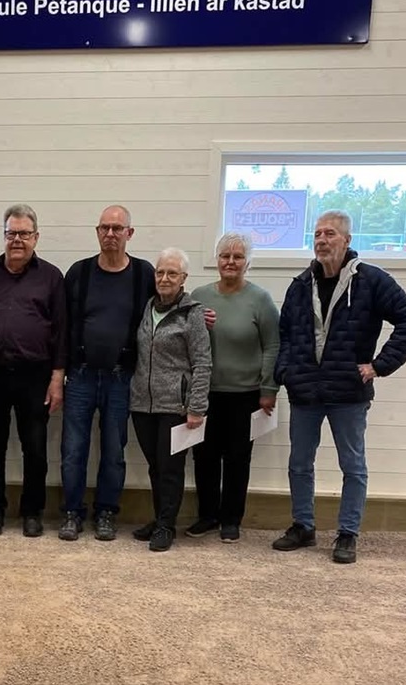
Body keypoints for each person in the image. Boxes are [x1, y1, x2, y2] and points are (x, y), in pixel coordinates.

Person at [272, 210, 406, 564]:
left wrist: (380, 365)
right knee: (299, 464)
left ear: (347, 240)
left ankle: (347, 533)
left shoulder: (371, 281)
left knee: (352, 465)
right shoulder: (300, 285)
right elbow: (285, 334)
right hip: (305, 391)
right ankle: (303, 526)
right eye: (317, 234)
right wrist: (285, 372)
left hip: (349, 393)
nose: (322, 240)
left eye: (330, 234)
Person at [0, 204, 66, 538]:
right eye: (12, 233)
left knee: (35, 448)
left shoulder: (51, 277)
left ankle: (32, 512)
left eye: (24, 234)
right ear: (4, 236)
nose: (18, 240)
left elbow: (61, 331)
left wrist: (57, 378)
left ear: (36, 237)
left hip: (35, 375)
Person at [59, 205, 155, 542]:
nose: (110, 234)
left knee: (114, 450)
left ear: (130, 233)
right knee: (73, 450)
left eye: (117, 228)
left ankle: (106, 513)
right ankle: (72, 512)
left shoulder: (144, 274)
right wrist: (60, 373)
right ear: (97, 232)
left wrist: (199, 314)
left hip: (121, 377)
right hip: (81, 376)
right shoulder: (79, 272)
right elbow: (63, 326)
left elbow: (167, 307)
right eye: (104, 228)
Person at [188, 233, 280, 543]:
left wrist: (269, 387)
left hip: (246, 395)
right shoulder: (199, 296)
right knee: (204, 457)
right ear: (216, 260)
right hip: (206, 393)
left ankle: (231, 519)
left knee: (238, 459)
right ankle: (207, 515)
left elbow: (273, 345)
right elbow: (185, 338)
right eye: (225, 256)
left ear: (247, 263)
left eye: (237, 256)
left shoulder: (260, 299)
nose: (230, 261)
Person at [130, 248, 211, 552]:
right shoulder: (146, 307)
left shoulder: (193, 314)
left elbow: (203, 363)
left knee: (171, 469)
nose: (164, 278)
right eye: (160, 272)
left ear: (183, 278)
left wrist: (196, 407)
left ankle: (167, 526)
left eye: (172, 273)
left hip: (176, 407)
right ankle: (159, 517)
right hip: (142, 404)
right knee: (155, 466)